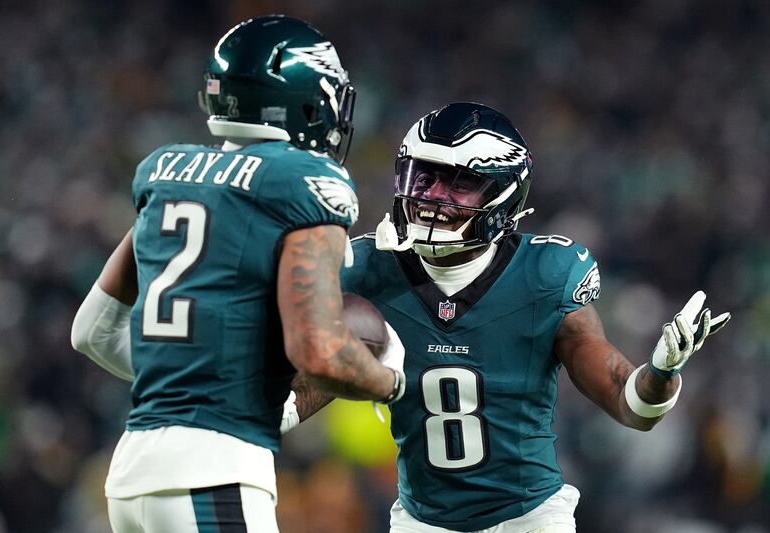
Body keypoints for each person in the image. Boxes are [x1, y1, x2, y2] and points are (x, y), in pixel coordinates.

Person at [281, 102, 731, 532]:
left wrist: (662, 372)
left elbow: (630, 404)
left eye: (458, 183)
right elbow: (303, 390)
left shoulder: (545, 274)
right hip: (423, 520)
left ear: (502, 194)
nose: (433, 196)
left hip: (530, 519)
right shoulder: (364, 268)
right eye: (425, 178)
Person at [70, 15, 405, 533]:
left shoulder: (168, 172)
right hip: (213, 474)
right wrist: (390, 381)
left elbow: (91, 332)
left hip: (132, 475)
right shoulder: (306, 182)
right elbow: (318, 351)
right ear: (309, 102)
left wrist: (210, 379)